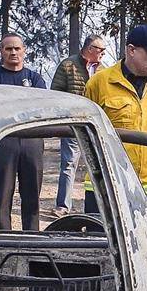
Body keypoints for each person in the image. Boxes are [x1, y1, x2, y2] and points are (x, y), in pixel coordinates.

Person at [83, 25, 147, 221]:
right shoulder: (99, 83)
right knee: (101, 246)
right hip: (108, 183)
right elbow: (86, 135)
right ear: (131, 50)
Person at [0, 33, 47, 231]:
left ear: (24, 50)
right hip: (3, 140)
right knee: (2, 195)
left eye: (17, 48)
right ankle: (2, 237)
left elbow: (42, 107)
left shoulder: (34, 78)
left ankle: (32, 237)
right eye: (8, 48)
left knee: (32, 194)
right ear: (1, 51)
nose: (13, 52)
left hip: (32, 140)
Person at [50, 34, 107, 217]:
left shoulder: (104, 70)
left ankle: (98, 207)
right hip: (73, 124)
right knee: (68, 164)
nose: (103, 54)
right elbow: (56, 94)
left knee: (98, 166)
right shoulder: (68, 65)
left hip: (94, 125)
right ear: (90, 49)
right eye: (101, 50)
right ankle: (63, 206)